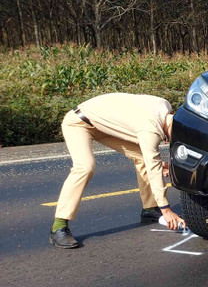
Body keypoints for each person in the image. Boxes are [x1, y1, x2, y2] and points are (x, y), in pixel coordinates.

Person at [50, 93, 183, 248]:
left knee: (143, 157)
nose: (166, 141)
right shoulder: (150, 130)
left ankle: (150, 208)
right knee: (85, 167)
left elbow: (150, 159)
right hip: (79, 122)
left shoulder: (165, 106)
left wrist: (159, 163)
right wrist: (166, 210)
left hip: (104, 125)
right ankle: (58, 226)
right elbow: (153, 165)